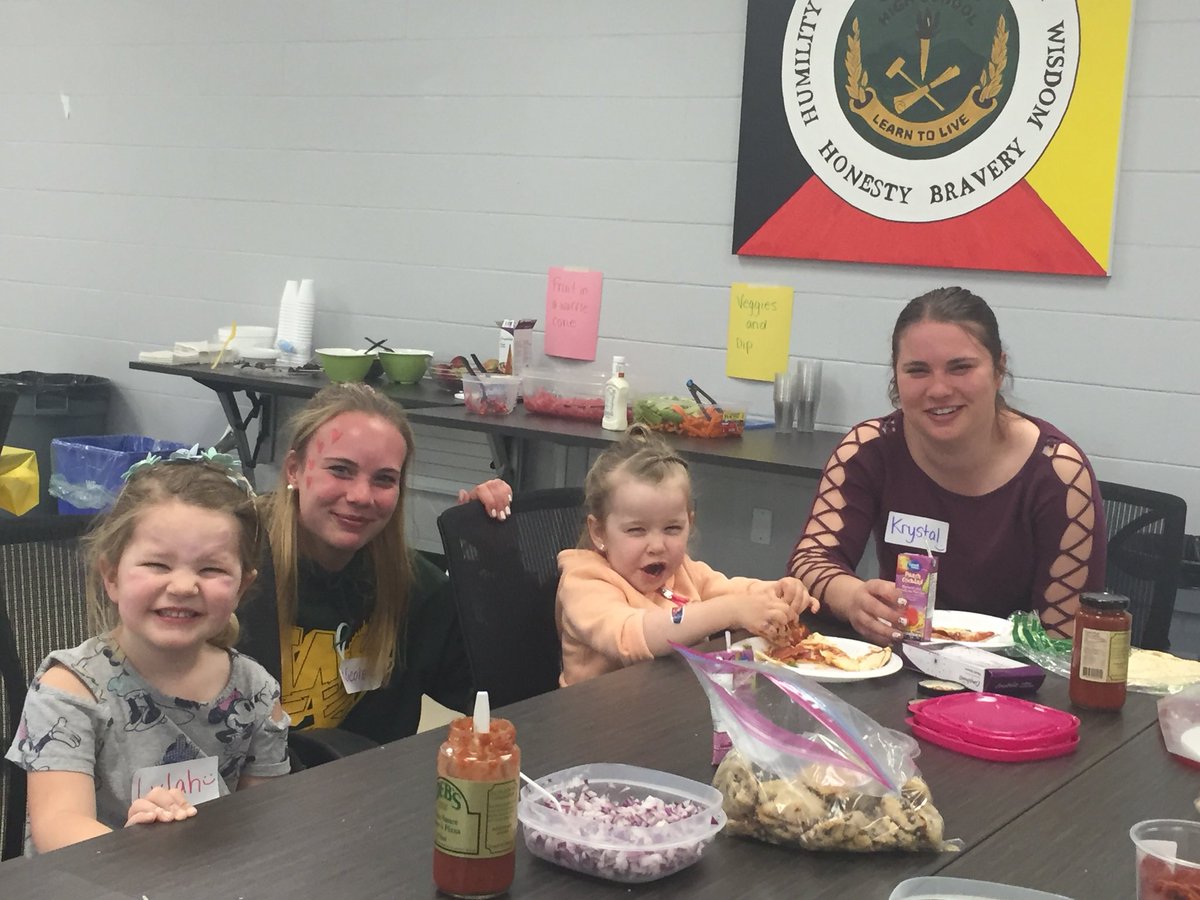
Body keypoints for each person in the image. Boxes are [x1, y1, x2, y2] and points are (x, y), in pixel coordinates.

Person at [5, 454, 290, 855]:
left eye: (211, 570)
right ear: (111, 577)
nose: (184, 585)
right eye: (157, 564)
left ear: (241, 588)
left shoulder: (256, 691)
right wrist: (136, 852)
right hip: (97, 878)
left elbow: (267, 817)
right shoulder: (69, 690)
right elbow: (57, 827)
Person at [788, 286, 1106, 645]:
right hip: (900, 670)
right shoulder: (868, 449)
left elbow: (1062, 646)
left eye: (960, 368)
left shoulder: (1059, 475)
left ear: (998, 370)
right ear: (896, 377)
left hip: (1012, 684)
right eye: (917, 371)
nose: (938, 389)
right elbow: (809, 562)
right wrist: (851, 599)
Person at [237, 383, 511, 745]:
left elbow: (494, 697)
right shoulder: (233, 567)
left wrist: (486, 571)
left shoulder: (415, 589)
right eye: (340, 470)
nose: (361, 496)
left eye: (384, 479)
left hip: (360, 789)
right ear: (294, 470)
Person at [557, 424, 819, 685]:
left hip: (671, 707)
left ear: (689, 524)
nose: (657, 545)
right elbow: (630, 637)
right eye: (637, 530)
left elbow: (732, 591)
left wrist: (777, 594)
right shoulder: (584, 581)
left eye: (672, 528)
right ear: (599, 532)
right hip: (595, 720)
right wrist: (730, 610)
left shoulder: (684, 571)